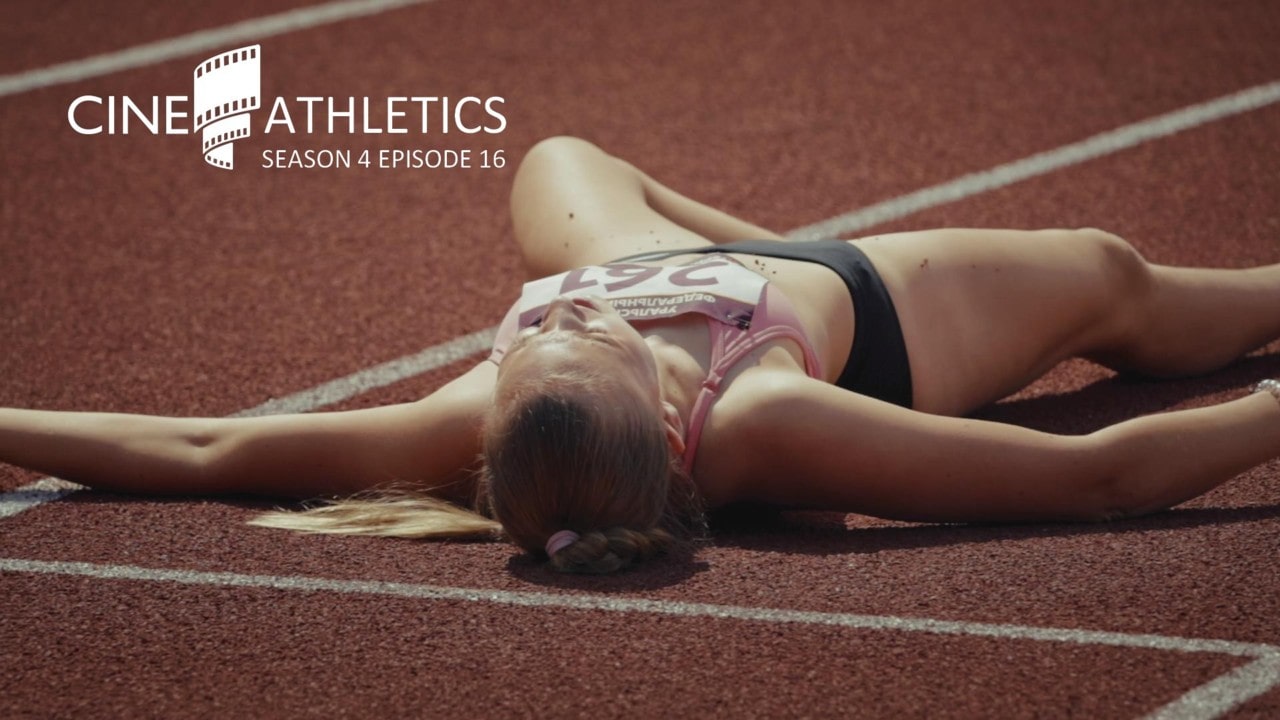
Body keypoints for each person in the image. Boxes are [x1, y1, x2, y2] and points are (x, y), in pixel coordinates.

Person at [3, 136, 1279, 574]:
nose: (553, 320)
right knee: (1104, 272)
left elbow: (205, 446)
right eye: (573, 338)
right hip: (857, 316)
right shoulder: (756, 422)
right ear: (669, 434)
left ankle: (760, 241)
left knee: (559, 152)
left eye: (534, 336)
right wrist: (1267, 412)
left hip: (676, 254)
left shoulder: (490, 415)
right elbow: (1097, 477)